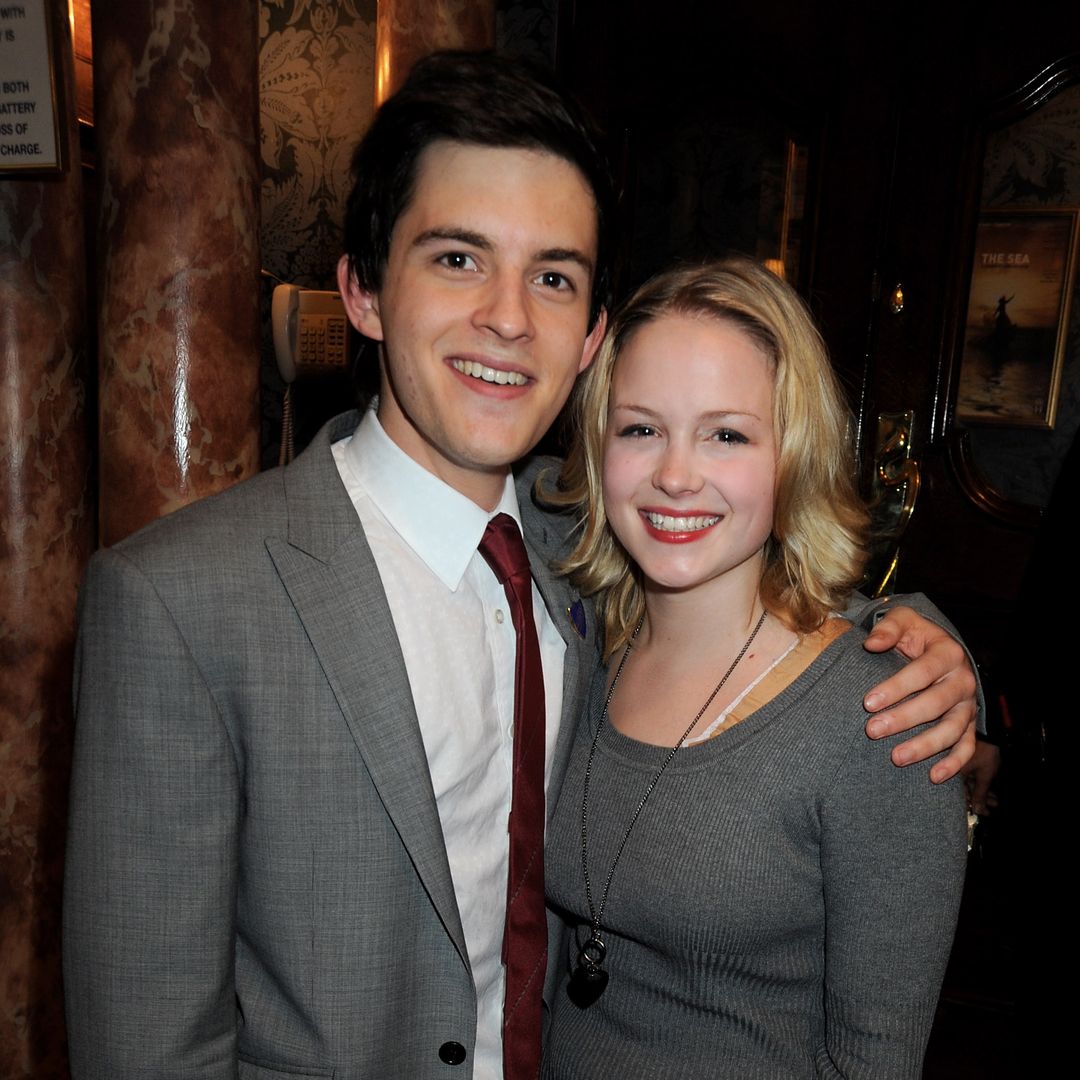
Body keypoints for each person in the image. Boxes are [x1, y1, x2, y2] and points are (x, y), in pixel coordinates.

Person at [62, 52, 976, 1080]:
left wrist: (931, 652)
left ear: (589, 336)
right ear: (362, 290)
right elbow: (146, 1044)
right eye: (458, 259)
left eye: (552, 276)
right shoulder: (177, 602)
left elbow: (758, 594)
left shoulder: (578, 545)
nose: (508, 315)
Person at [542, 258, 968, 1078]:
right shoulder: (586, 644)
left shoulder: (886, 716)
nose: (674, 474)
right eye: (641, 428)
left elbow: (875, 1060)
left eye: (727, 434)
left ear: (793, 455)